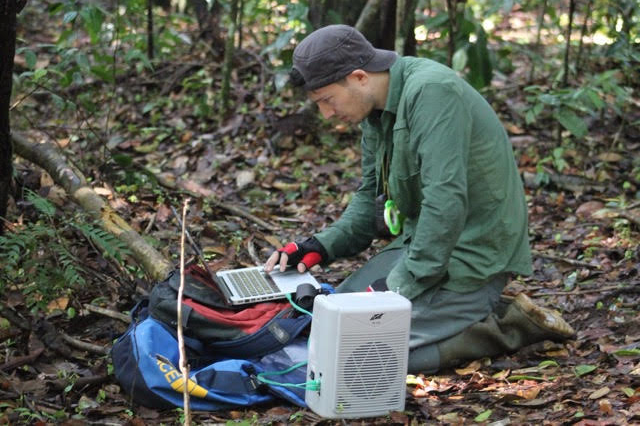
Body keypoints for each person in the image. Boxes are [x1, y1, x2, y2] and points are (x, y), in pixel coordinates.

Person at [264, 24, 574, 373]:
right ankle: (454, 312)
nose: (327, 114)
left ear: (359, 77)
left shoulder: (432, 92)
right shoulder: (374, 111)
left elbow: (446, 200)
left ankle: (503, 327)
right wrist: (319, 245)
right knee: (326, 321)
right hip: (421, 245)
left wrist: (398, 289)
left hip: (473, 256)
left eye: (326, 100)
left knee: (364, 357)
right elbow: (370, 197)